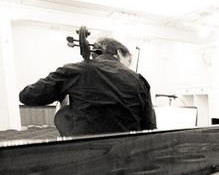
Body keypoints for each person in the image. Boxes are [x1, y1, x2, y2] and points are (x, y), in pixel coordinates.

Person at [19, 37, 156, 136]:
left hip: (85, 155)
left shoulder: (75, 70)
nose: (128, 67)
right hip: (128, 156)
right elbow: (149, 127)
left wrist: (62, 94)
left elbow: (27, 96)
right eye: (128, 61)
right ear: (119, 52)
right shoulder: (139, 80)